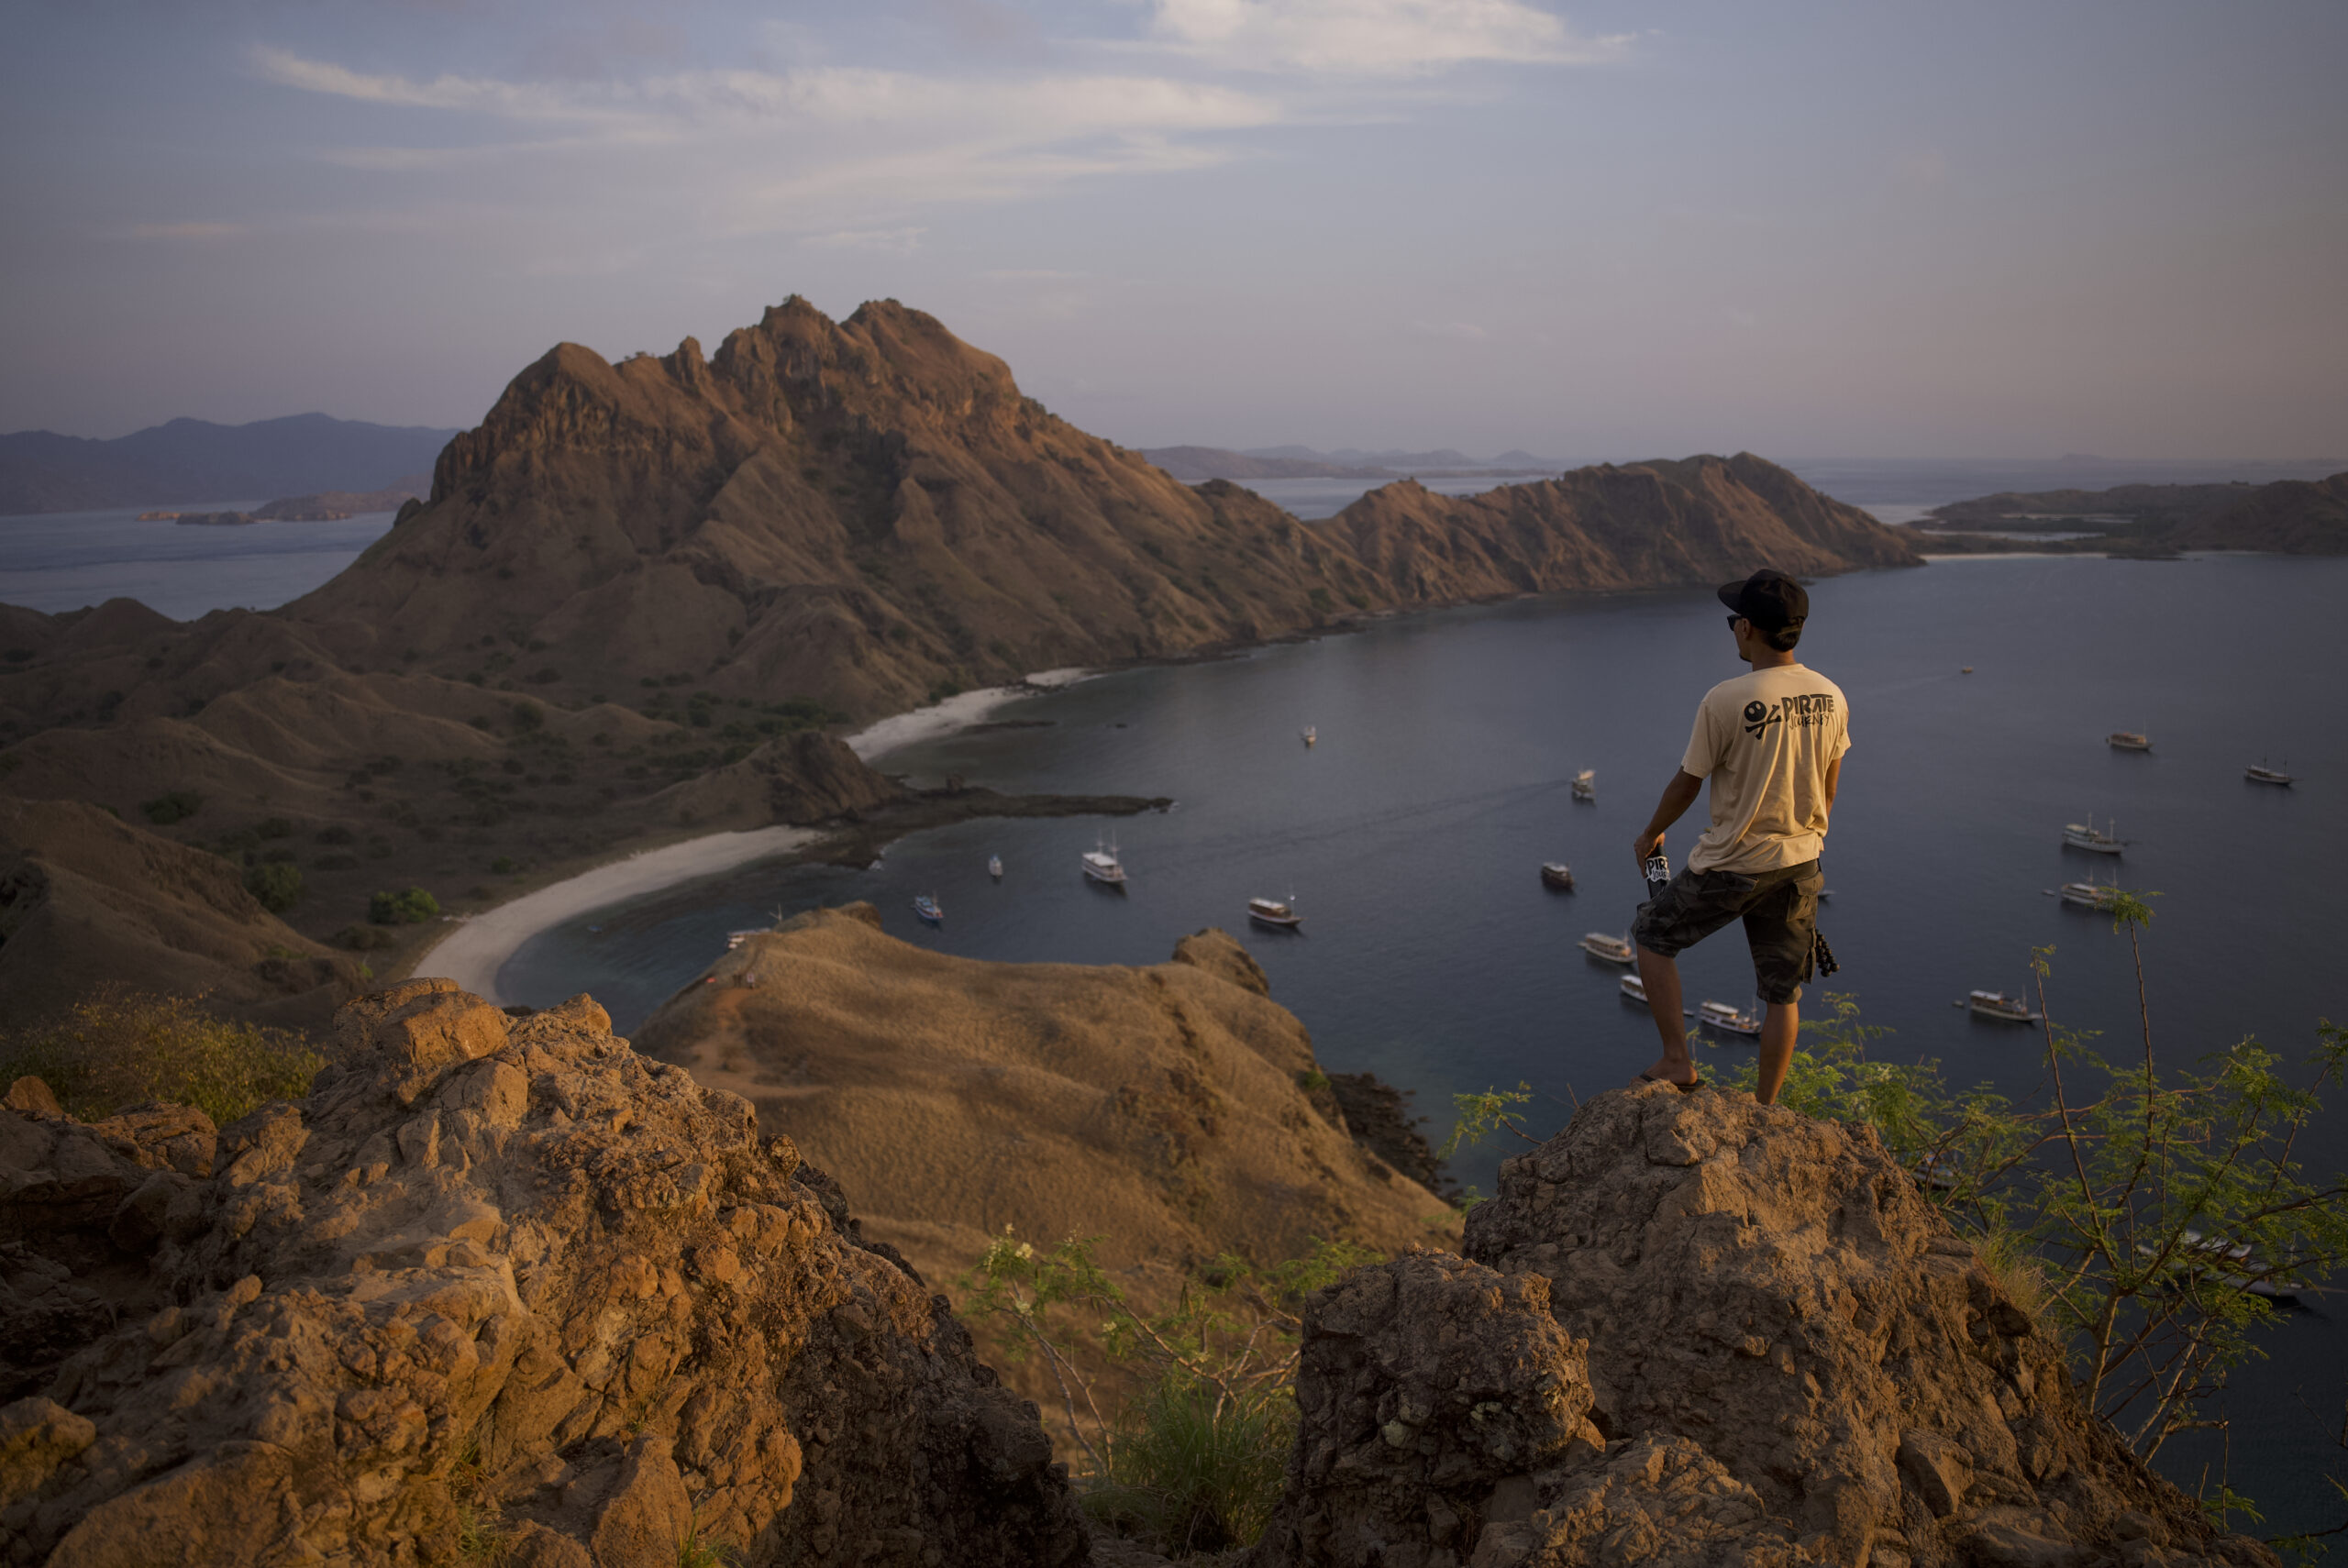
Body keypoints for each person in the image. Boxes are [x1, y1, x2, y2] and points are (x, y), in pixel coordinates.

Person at [1627, 569, 1848, 1104]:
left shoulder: (1726, 699)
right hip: (1800, 861)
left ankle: (1678, 1061)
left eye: (1733, 621)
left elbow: (1686, 784)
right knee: (1781, 991)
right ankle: (1766, 1107)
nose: (1732, 630)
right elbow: (1829, 787)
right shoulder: (1830, 695)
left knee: (1653, 936)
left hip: (1734, 862)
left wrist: (1651, 834)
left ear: (1747, 628)